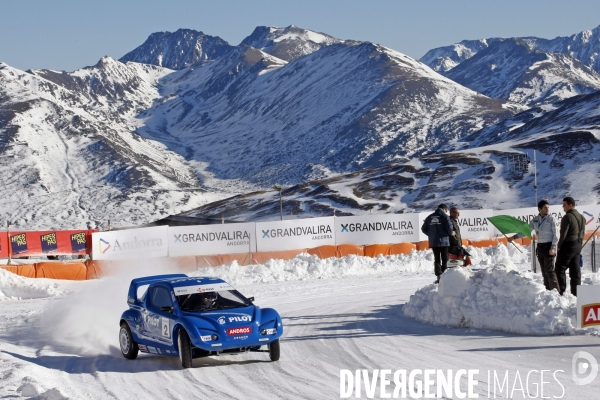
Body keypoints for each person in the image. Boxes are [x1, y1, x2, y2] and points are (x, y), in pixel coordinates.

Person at [556, 197, 586, 296]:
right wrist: (579, 244)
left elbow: (563, 234)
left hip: (568, 245)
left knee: (559, 268)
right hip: (578, 244)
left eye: (564, 205)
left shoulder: (567, 217)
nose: (563, 207)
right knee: (575, 269)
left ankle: (561, 292)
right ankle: (576, 293)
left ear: (570, 205)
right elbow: (582, 232)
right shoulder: (582, 217)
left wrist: (559, 246)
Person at [528, 200, 559, 291]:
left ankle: (556, 291)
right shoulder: (535, 219)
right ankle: (547, 290)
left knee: (549, 270)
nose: (547, 209)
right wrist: (514, 237)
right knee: (544, 271)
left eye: (548, 207)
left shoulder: (551, 219)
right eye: (545, 207)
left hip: (549, 246)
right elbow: (526, 230)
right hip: (540, 246)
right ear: (539, 209)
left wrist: (553, 247)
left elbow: (556, 234)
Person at [421, 204, 455, 284]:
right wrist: (452, 233)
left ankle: (438, 276)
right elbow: (450, 231)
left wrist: (431, 235)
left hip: (434, 242)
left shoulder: (429, 217)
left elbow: (423, 229)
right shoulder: (445, 217)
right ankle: (444, 277)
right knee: (445, 259)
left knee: (437, 259)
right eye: (446, 210)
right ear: (444, 209)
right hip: (444, 241)